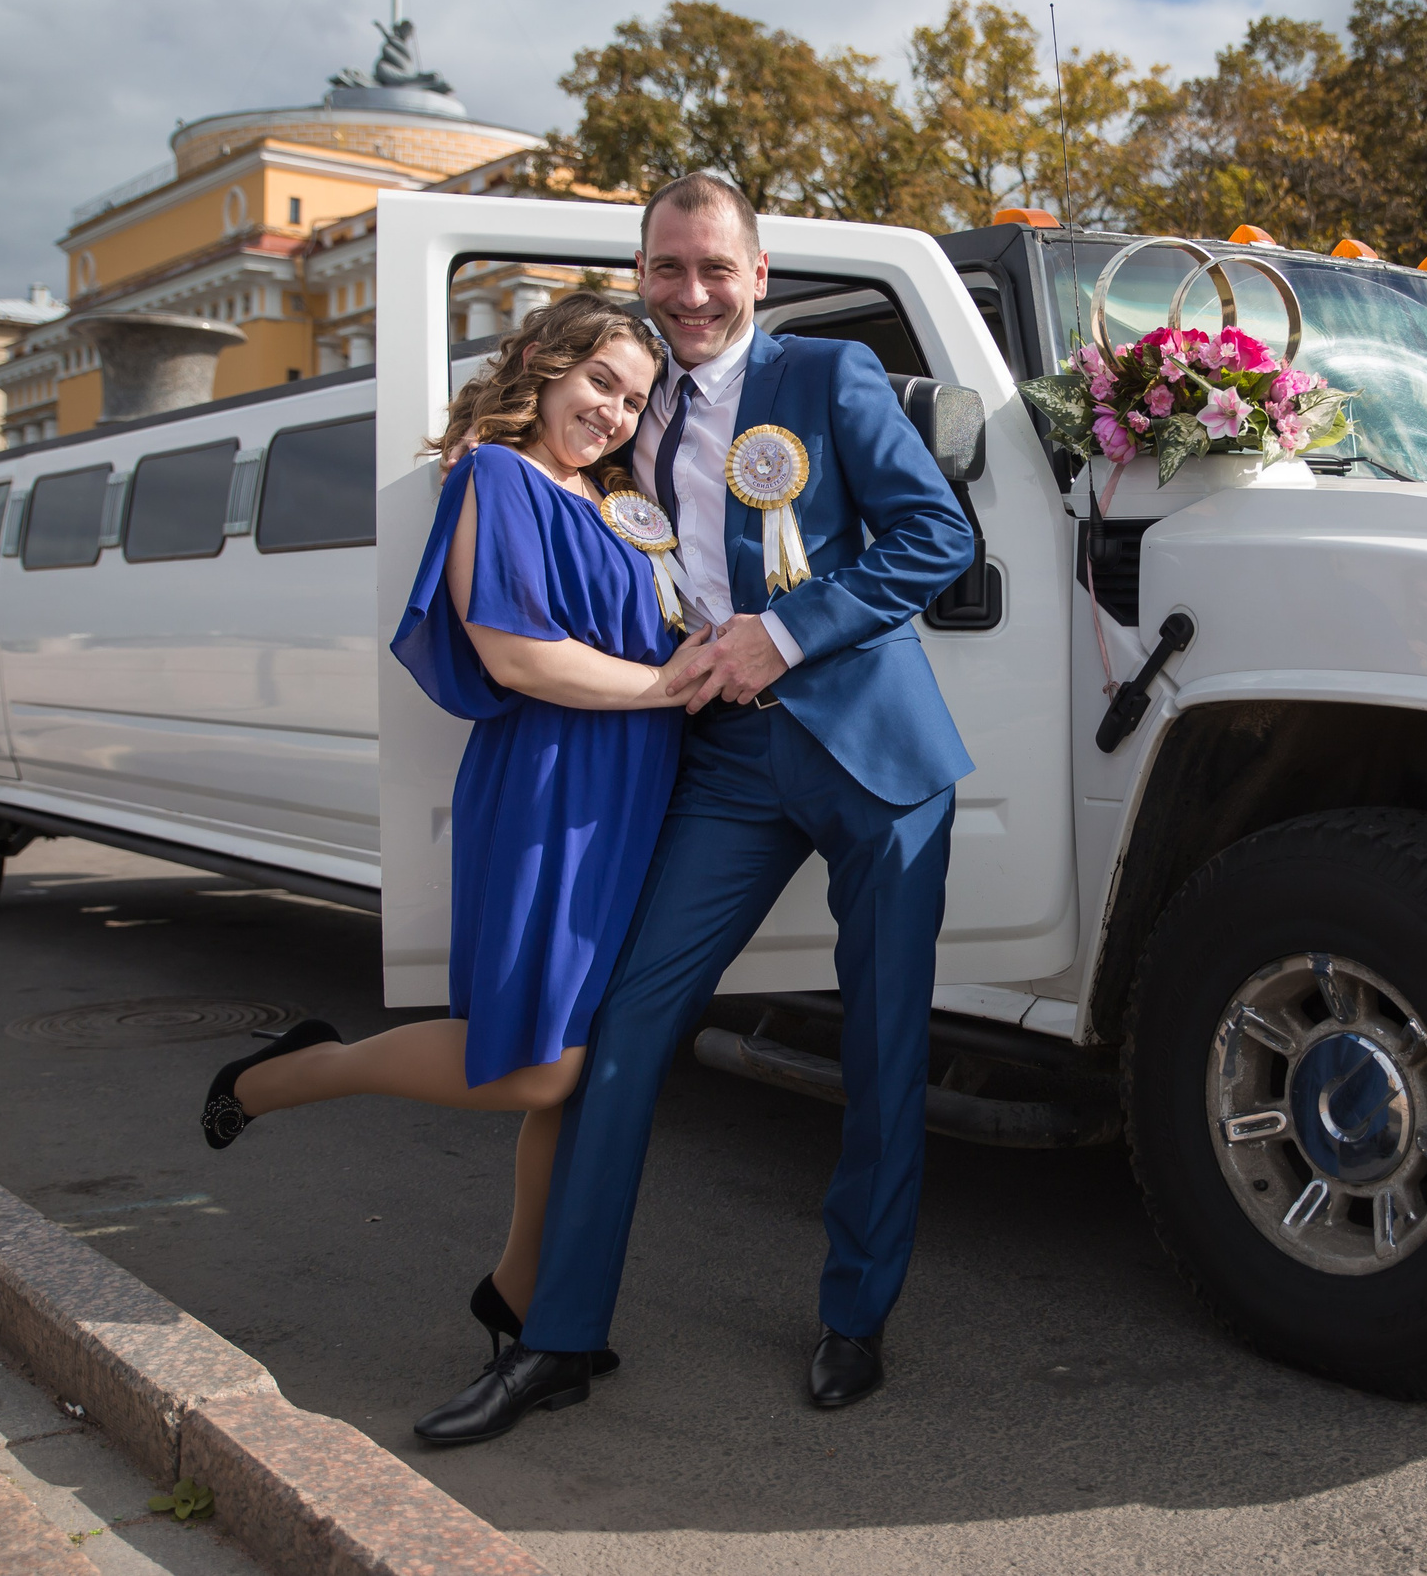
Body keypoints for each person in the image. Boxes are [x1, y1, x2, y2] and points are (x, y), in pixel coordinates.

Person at [412, 172, 976, 1445]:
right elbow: (535, 484)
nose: (692, 294)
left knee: (883, 1051)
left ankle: (855, 1312)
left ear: (758, 274)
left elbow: (936, 538)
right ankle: (559, 1337)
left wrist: (783, 631)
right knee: (623, 1033)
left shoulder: (828, 379)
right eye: (667, 269)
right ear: (642, 271)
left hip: (875, 759)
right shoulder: (626, 401)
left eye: (715, 268)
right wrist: (476, 447)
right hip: (720, 762)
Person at [198, 293, 702, 1384]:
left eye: (634, 398)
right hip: (552, 786)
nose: (615, 413)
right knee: (535, 1066)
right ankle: (294, 1073)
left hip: (635, 788)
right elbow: (516, 653)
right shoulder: (497, 477)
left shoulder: (613, 496)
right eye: (599, 384)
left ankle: (521, 1293)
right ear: (541, 363)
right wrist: (671, 684)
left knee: (586, 1067)